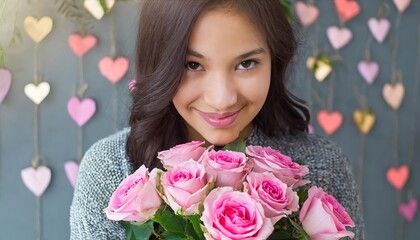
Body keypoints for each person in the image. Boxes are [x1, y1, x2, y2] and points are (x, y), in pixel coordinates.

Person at [70, 0, 364, 239]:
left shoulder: (323, 167)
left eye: (246, 64)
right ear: (160, 64)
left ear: (275, 60)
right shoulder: (109, 168)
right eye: (193, 65)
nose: (222, 99)